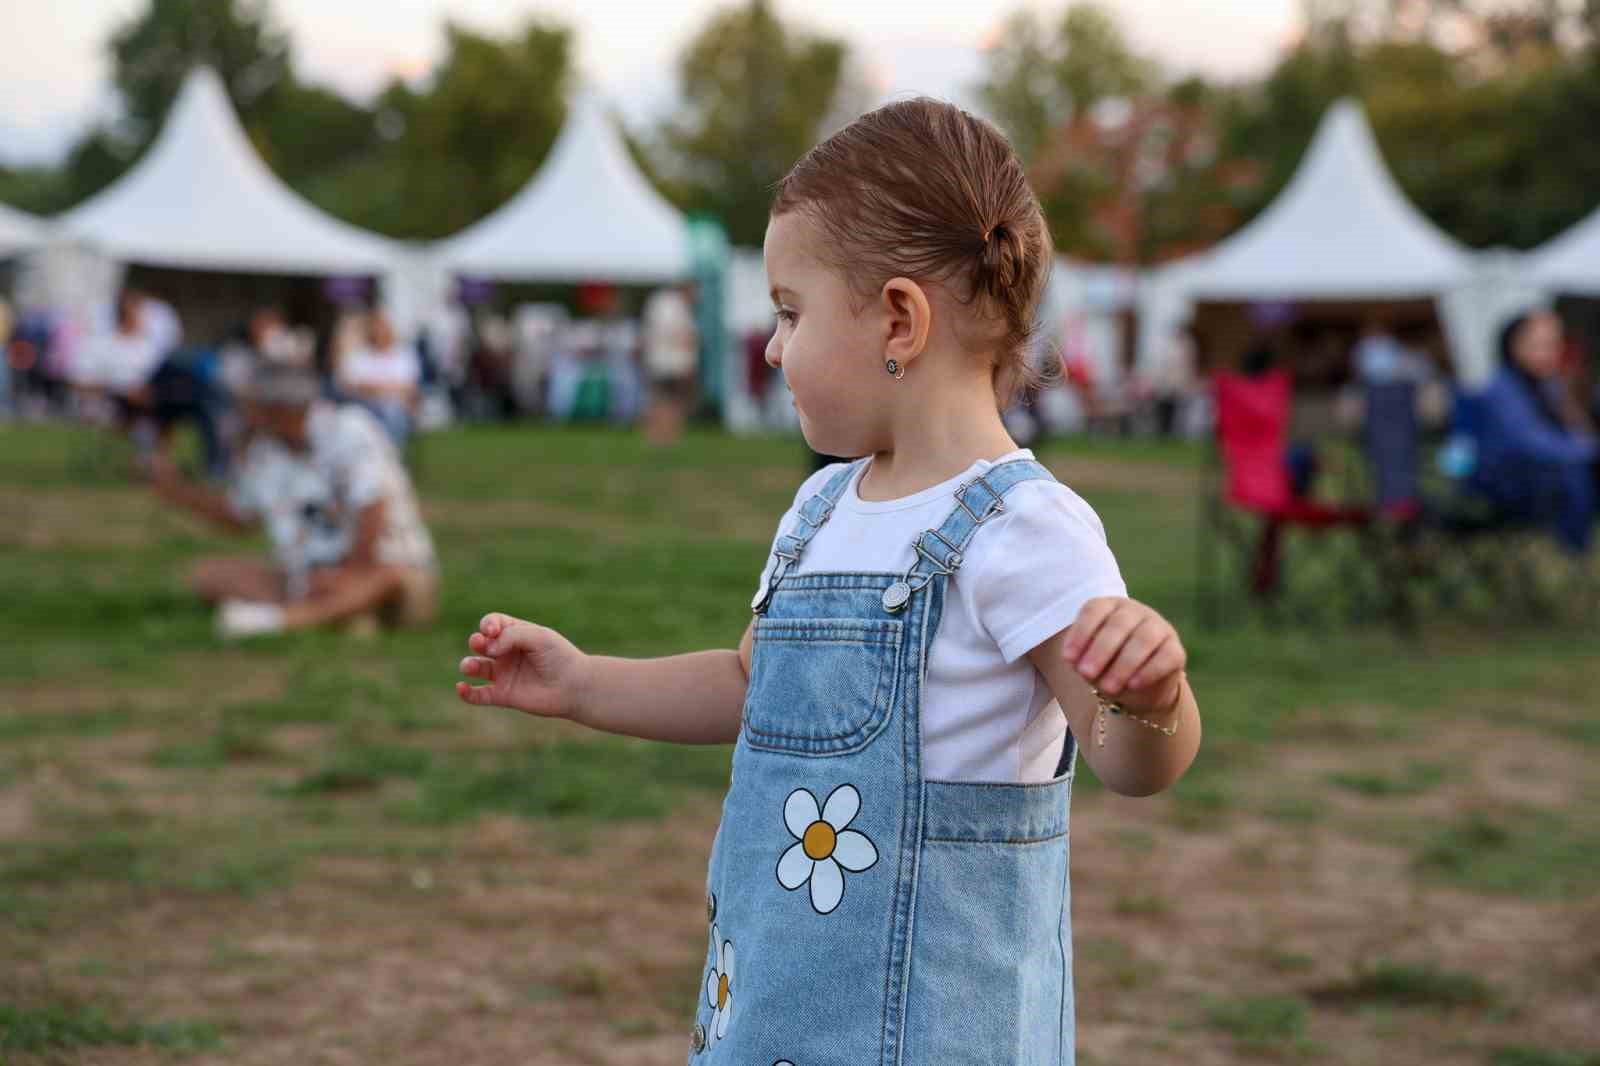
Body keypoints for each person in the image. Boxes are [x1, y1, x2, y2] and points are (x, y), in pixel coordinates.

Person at [456, 98, 1200, 1063]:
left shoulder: (1025, 531)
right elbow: (750, 684)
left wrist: (1152, 699)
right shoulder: (819, 513)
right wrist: (584, 681)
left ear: (899, 319)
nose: (770, 347)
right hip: (774, 998)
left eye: (789, 312)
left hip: (937, 1029)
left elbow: (1127, 762)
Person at [152, 361, 439, 638]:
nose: (245, 414)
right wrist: (176, 490)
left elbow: (372, 508)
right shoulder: (263, 453)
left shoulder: (350, 429)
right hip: (306, 576)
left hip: (375, 566)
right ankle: (342, 614)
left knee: (394, 578)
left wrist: (348, 573)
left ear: (280, 410)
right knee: (209, 576)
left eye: (252, 407)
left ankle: (285, 621)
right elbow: (239, 515)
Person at [1473, 308, 1598, 553]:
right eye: (1540, 344)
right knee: (1572, 474)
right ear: (1514, 346)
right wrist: (1590, 449)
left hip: (1538, 476)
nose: (1550, 352)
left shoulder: (1550, 385)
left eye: (1555, 344)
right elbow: (1532, 443)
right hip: (1503, 479)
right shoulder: (1502, 390)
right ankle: (1574, 554)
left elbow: (1577, 432)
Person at [336, 310, 421, 445]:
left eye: (382, 328)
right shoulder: (359, 355)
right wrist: (387, 388)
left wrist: (372, 387)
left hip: (395, 407)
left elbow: (409, 388)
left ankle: (389, 457)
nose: (379, 332)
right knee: (352, 419)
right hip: (365, 407)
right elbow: (348, 385)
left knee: (393, 414)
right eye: (375, 328)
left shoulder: (404, 354)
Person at [641, 281, 699, 445]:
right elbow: (685, 337)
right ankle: (667, 435)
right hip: (674, 363)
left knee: (661, 400)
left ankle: (658, 436)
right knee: (672, 401)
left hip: (659, 361)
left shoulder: (658, 303)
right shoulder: (678, 307)